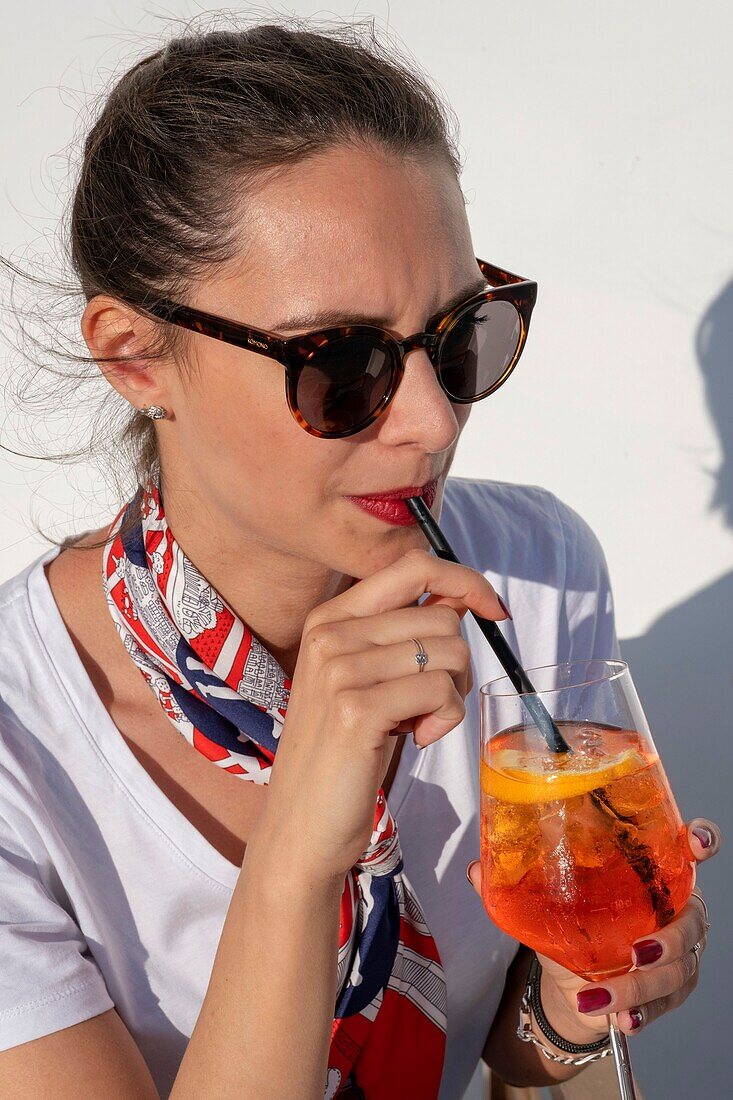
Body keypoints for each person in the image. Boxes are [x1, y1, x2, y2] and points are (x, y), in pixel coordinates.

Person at [0, 19, 720, 1100]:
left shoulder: (532, 571)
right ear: (136, 355)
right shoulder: (23, 746)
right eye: (340, 361)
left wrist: (575, 1014)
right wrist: (295, 855)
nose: (431, 422)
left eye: (458, 333)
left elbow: (523, 1067)